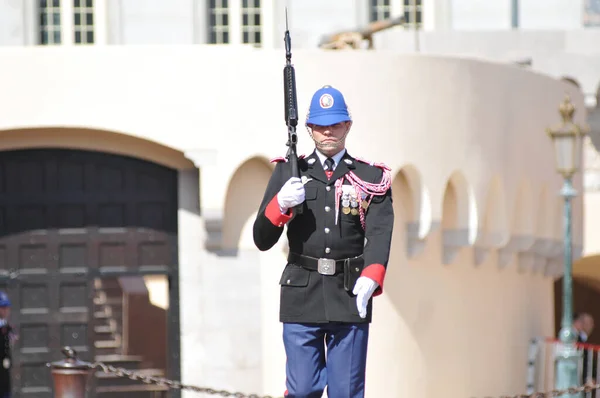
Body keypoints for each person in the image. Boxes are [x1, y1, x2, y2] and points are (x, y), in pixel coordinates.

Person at [253, 85, 394, 398]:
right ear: (309, 129)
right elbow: (262, 239)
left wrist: (372, 275)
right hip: (301, 294)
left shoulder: (370, 178)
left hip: (349, 293)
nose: (328, 131)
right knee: (302, 390)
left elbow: (380, 230)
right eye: (320, 125)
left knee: (346, 391)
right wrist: (280, 204)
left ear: (348, 126)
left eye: (335, 124)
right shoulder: (289, 172)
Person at [0, 292, 15, 398]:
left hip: (4, 373)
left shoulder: (6, 326)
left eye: (7, 307)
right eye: (2, 307)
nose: (5, 310)